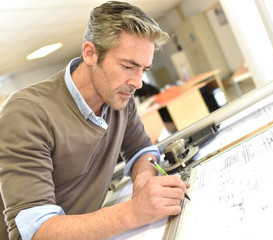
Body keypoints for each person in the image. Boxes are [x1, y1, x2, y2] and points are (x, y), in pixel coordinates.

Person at [0, 1, 189, 239]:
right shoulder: (27, 113)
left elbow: (142, 149)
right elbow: (35, 231)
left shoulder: (119, 96)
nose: (138, 82)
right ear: (91, 53)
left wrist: (143, 180)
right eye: (129, 66)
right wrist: (133, 212)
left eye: (144, 69)